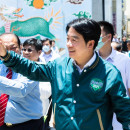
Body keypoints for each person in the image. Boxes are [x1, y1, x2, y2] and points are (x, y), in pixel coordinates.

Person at [0, 18, 130, 130]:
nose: (68, 44)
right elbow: (31, 69)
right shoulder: (59, 66)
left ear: (90, 44)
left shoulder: (109, 73)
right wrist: (5, 55)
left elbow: (125, 112)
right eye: (67, 39)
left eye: (74, 40)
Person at [0, 33, 44, 130]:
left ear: (20, 48)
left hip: (28, 125)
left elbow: (20, 89)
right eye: (4, 48)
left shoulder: (30, 67)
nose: (8, 52)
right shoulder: (1, 67)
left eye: (13, 47)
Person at [97, 21, 130, 130]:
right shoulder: (91, 60)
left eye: (98, 35)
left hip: (118, 121)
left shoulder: (124, 60)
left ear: (108, 37)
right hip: (96, 120)